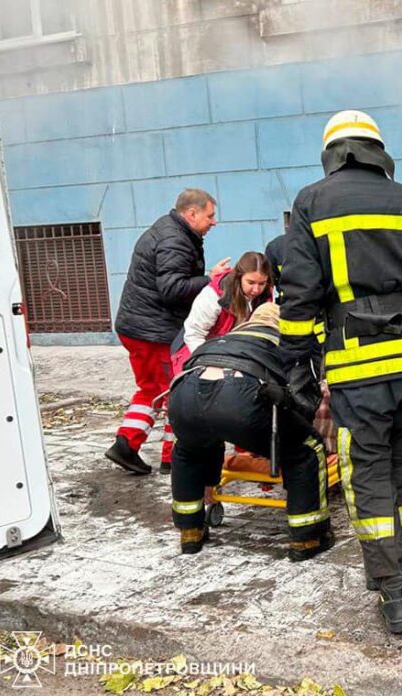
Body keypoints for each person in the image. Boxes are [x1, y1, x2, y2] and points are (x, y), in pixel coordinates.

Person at [277, 110, 402, 634]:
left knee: (367, 474)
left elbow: (298, 296)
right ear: (377, 151)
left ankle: (390, 584)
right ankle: (397, 557)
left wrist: (295, 364)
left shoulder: (312, 203)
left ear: (333, 152)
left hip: (356, 366)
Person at [167, 303, 332, 559]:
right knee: (306, 449)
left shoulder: (226, 337)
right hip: (238, 398)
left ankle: (190, 531)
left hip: (184, 395)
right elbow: (301, 394)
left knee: (190, 449)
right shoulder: (288, 341)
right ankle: (307, 538)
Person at [107, 188, 230, 475]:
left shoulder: (171, 233)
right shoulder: (175, 240)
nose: (214, 222)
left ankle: (127, 444)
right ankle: (173, 456)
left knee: (152, 388)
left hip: (140, 327)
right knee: (178, 390)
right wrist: (210, 280)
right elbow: (173, 289)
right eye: (210, 216)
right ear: (192, 214)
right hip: (153, 331)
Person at [169, 251, 274, 377]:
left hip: (232, 351)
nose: (256, 289)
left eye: (262, 283)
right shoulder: (214, 295)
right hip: (194, 349)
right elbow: (193, 334)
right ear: (239, 277)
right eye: (250, 283)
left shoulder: (265, 295)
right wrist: (210, 362)